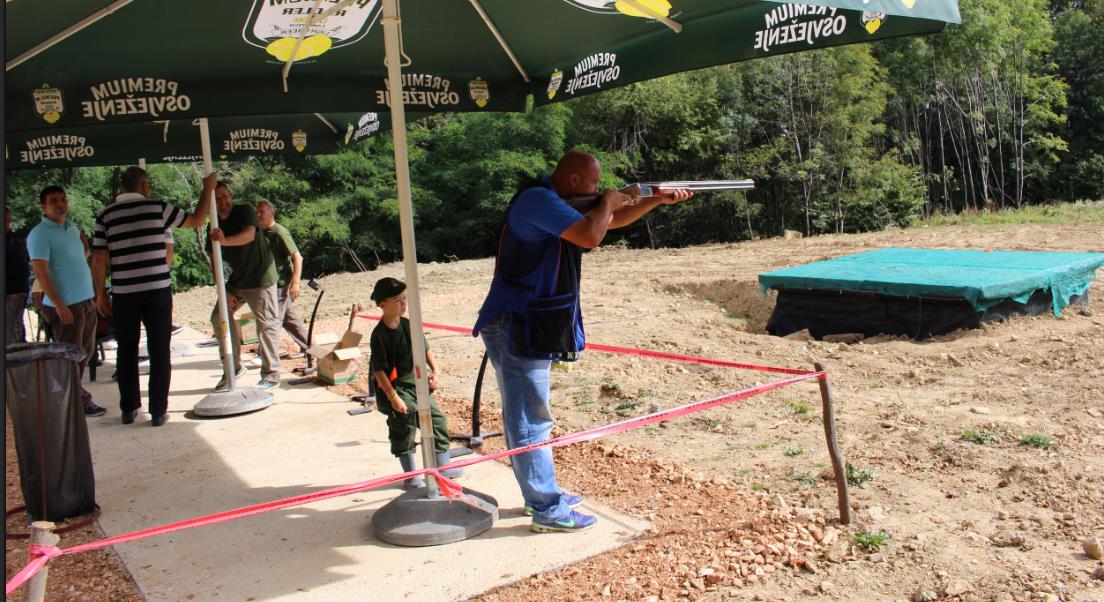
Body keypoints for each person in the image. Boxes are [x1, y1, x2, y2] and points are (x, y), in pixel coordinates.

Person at [472, 150, 692, 533]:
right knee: (530, 418)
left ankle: (538, 494)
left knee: (527, 414)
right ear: (574, 181)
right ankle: (546, 508)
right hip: (518, 321)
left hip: (524, 319)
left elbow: (608, 223)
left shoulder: (553, 200)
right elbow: (592, 235)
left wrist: (654, 200)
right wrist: (609, 200)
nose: (597, 189)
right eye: (593, 184)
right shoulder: (539, 201)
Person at [93, 167, 214, 427]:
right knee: (159, 349)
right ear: (145, 186)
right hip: (157, 288)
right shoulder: (158, 208)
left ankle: (128, 409)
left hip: (124, 291)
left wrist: (99, 293)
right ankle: (158, 411)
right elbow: (197, 220)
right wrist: (207, 188)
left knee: (126, 349)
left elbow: (100, 258)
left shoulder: (105, 216)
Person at [368, 277, 462, 489]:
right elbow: (379, 370)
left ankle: (443, 467)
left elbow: (425, 348)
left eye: (404, 299)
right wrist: (393, 397)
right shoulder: (379, 335)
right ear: (382, 304)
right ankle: (412, 475)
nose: (403, 304)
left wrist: (435, 371)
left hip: (417, 384)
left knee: (436, 421)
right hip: (397, 388)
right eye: (397, 301)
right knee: (404, 427)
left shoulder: (409, 324)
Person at [26, 186, 105, 416]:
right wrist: (58, 304)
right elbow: (41, 273)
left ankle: (70, 396)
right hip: (66, 304)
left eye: (63, 200)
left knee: (86, 352)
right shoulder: (40, 234)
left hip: (84, 299)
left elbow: (78, 258)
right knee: (70, 356)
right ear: (43, 206)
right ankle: (74, 401)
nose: (60, 204)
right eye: (53, 201)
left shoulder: (71, 228)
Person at [207, 182, 282, 391]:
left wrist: (223, 241)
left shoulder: (244, 211)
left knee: (267, 324)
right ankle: (232, 367)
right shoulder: (212, 224)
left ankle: (272, 374)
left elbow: (248, 235)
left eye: (225, 196)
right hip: (237, 281)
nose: (223, 202)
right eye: (218, 199)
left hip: (260, 277)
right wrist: (223, 291)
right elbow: (214, 258)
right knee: (218, 317)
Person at [255, 200, 309, 357]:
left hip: (281, 283)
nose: (258, 215)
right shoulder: (258, 231)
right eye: (257, 212)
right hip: (268, 283)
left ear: (272, 213)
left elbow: (297, 257)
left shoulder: (279, 232)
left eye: (262, 212)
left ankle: (266, 353)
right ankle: (309, 347)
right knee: (288, 319)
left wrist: (295, 283)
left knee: (273, 319)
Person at [6, 208, 31, 345]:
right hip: (9, 293)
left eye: (8, 220)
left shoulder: (14, 239)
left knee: (17, 328)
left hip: (20, 291)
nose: (7, 223)